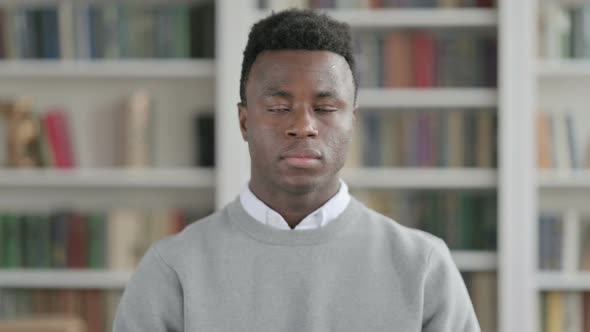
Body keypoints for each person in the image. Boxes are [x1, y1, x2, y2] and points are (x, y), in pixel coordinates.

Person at [113, 9, 480, 332]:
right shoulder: (173, 269)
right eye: (278, 107)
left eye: (324, 108)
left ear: (351, 122)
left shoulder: (423, 267)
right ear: (244, 122)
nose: (303, 125)